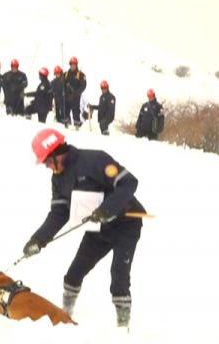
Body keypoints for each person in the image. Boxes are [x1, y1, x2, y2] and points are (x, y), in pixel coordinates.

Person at [22, 128, 146, 328]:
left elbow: (129, 183)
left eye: (46, 161)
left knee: (118, 279)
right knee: (74, 274)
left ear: (57, 153)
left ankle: (123, 328)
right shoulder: (58, 178)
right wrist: (38, 239)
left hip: (127, 224)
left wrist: (106, 209)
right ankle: (64, 318)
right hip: (98, 229)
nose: (46, 166)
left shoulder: (95, 160)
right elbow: (59, 213)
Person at [63, 57, 87, 129]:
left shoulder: (81, 74)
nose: (73, 66)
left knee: (76, 112)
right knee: (66, 111)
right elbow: (62, 84)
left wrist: (75, 93)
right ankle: (67, 125)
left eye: (74, 64)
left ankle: (77, 126)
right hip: (67, 97)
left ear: (76, 65)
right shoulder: (65, 74)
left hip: (76, 98)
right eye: (71, 64)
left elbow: (83, 85)